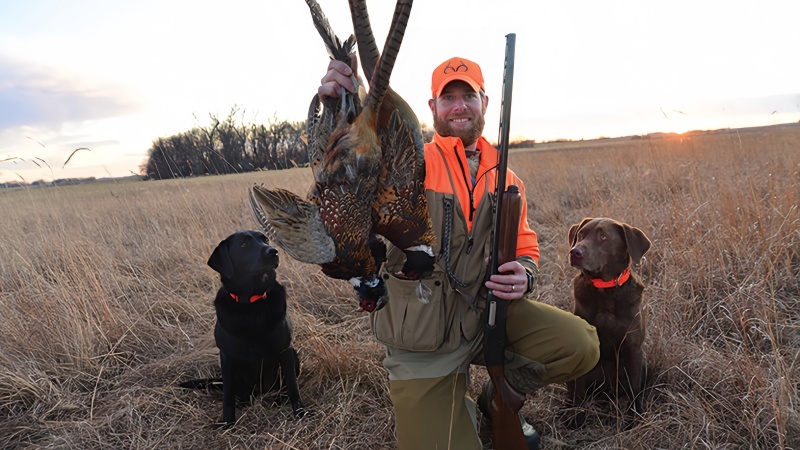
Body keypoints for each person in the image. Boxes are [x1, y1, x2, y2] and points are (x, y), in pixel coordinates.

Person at [319, 55, 600, 450]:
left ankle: (496, 399)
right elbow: (356, 153)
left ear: (484, 102)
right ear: (432, 108)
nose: (459, 106)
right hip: (421, 335)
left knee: (580, 343)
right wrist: (344, 105)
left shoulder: (506, 176)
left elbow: (524, 245)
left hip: (487, 316)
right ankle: (453, 404)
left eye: (468, 95)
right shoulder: (405, 162)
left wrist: (525, 271)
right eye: (447, 97)